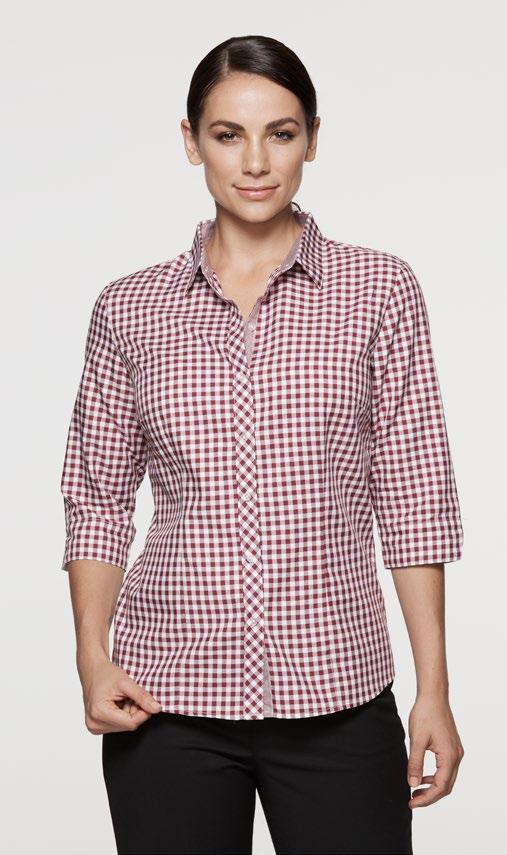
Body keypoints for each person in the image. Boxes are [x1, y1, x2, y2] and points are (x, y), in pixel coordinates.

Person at [59, 34, 465, 855]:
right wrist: (91, 658)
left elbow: (413, 496)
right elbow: (96, 497)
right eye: (227, 134)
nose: (254, 162)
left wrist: (433, 689)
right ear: (191, 141)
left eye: (280, 133)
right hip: (164, 701)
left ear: (311, 139)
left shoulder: (379, 290)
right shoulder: (129, 309)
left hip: (337, 692)